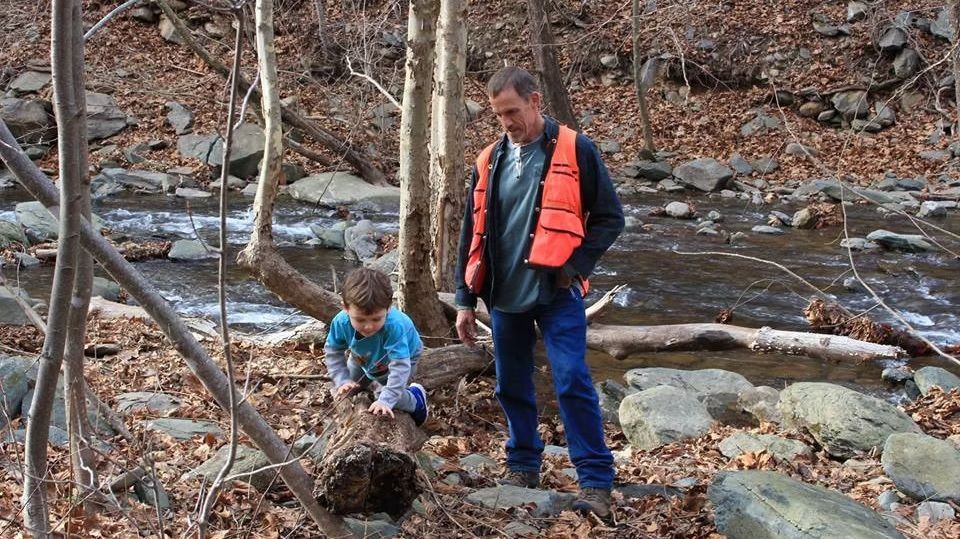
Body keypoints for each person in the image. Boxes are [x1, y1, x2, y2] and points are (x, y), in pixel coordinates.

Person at [454, 66, 625, 518]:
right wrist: (464, 299)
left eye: (512, 111)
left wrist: (575, 266)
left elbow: (611, 218)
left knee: (571, 380)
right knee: (510, 383)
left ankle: (595, 481)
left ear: (534, 101)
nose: (506, 122)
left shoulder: (576, 148)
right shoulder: (489, 159)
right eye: (498, 115)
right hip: (503, 293)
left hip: (557, 293)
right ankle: (524, 463)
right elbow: (471, 230)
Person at [324, 267, 428, 426]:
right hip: (362, 357)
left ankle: (416, 399)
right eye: (360, 320)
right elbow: (333, 350)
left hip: (403, 357)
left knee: (386, 394)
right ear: (345, 307)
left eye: (376, 319)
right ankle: (367, 382)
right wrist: (342, 379)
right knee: (346, 390)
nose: (368, 327)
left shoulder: (394, 326)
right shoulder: (341, 322)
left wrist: (385, 400)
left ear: (388, 308)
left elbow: (400, 366)